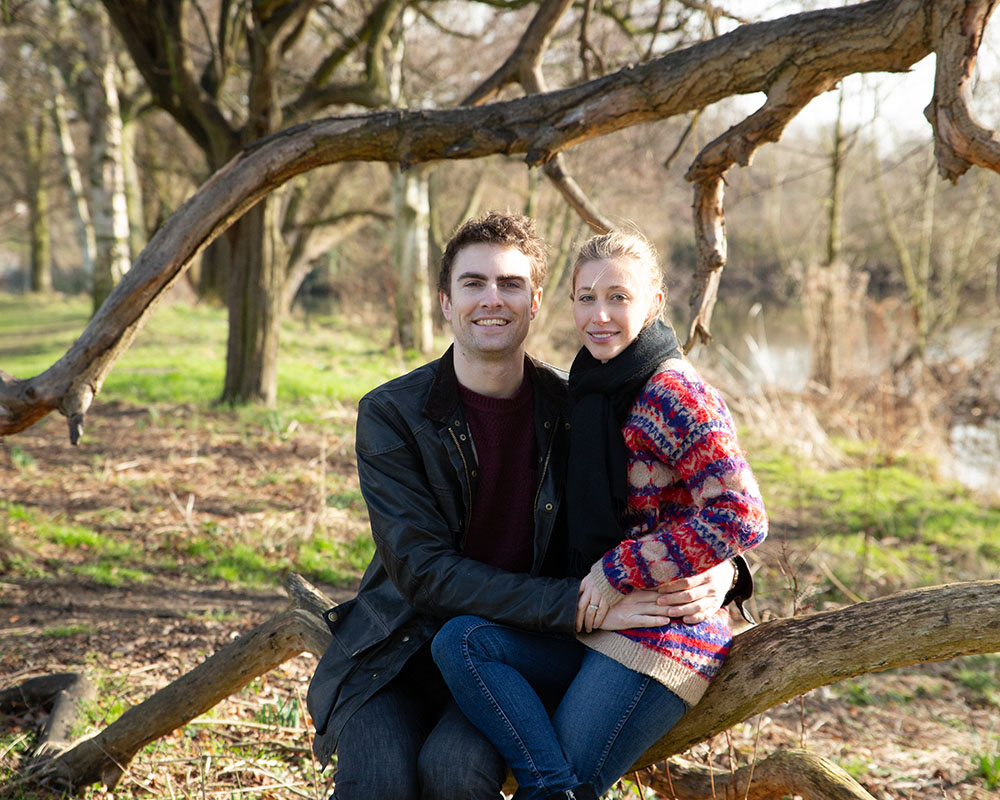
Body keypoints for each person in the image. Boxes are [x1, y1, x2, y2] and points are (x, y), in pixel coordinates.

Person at [306, 213, 750, 800]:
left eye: (510, 284)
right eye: (473, 283)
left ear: (537, 301)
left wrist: (724, 572)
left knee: (454, 773)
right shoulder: (393, 415)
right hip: (402, 653)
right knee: (380, 781)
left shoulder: (577, 407)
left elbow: (676, 505)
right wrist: (578, 606)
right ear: (445, 301)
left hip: (512, 649)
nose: (492, 299)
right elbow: (423, 572)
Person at [431, 230, 768, 800]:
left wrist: (621, 571)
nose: (600, 314)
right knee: (461, 641)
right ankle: (554, 789)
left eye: (619, 296)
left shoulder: (675, 393)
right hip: (598, 621)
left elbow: (742, 515)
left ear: (656, 303)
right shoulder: (591, 389)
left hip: (664, 634)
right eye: (585, 297)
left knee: (553, 777)